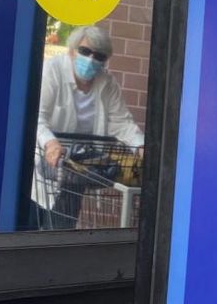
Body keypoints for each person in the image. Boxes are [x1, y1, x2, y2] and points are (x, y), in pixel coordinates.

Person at [32, 26, 145, 229]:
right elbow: (37, 116)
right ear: (72, 51)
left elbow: (121, 122)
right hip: (41, 165)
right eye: (85, 51)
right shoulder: (52, 71)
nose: (91, 59)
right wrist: (50, 142)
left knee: (60, 234)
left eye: (99, 56)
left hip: (75, 169)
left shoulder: (107, 82)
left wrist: (141, 145)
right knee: (29, 228)